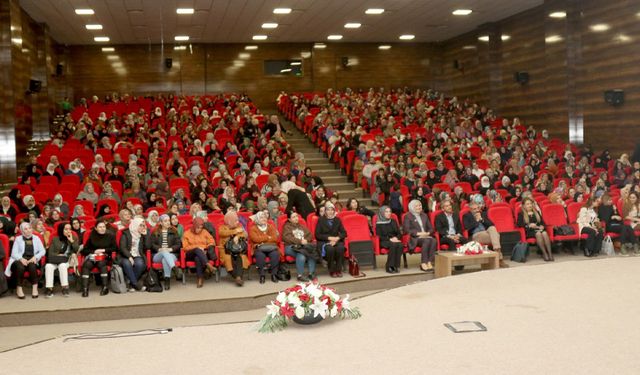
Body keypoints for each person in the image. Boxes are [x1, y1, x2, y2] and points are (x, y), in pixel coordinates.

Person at [4, 222, 46, 299]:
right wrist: (21, 259)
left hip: (31, 259)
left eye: (29, 228)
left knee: (32, 266)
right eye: (25, 229)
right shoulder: (18, 239)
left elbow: (43, 251)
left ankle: (35, 288)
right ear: (22, 231)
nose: (28, 230)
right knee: (20, 267)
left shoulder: (36, 238)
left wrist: (35, 257)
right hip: (18, 259)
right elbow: (14, 253)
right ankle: (19, 289)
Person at [462, 201, 509, 267]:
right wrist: (477, 221)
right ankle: (499, 258)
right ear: (470, 210)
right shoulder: (466, 216)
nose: (477, 210)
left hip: (487, 232)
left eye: (477, 208)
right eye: (474, 209)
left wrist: (482, 219)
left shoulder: (483, 214)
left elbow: (491, 224)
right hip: (476, 235)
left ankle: (496, 250)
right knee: (497, 236)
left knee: (492, 228)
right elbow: (467, 228)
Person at [80, 220, 117, 297]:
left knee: (101, 263)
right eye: (100, 227)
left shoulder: (110, 236)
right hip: (93, 257)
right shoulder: (91, 236)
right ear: (96, 228)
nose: (102, 228)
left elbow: (115, 248)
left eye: (104, 227)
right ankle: (85, 289)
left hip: (105, 257)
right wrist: (94, 251)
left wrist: (104, 250)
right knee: (86, 265)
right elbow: (84, 250)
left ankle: (105, 287)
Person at [44, 222, 79, 297]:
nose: (68, 231)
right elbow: (50, 253)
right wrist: (58, 255)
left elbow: (77, 250)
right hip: (55, 259)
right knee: (48, 266)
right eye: (66, 229)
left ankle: (65, 287)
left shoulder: (74, 238)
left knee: (62, 266)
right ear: (61, 230)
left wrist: (71, 240)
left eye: (70, 229)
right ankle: (49, 288)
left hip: (66, 260)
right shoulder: (55, 239)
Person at [282, 212, 318, 281]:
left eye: (296, 216)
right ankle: (300, 275)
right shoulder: (287, 226)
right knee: (302, 253)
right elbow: (287, 238)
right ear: (289, 219)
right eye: (293, 217)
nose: (296, 218)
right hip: (291, 247)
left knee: (309, 252)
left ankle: (311, 273)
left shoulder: (302, 226)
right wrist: (300, 241)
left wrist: (306, 240)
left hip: (302, 247)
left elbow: (310, 235)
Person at [403, 200, 437, 272]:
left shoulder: (424, 215)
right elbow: (407, 230)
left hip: (425, 235)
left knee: (433, 240)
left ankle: (429, 262)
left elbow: (431, 228)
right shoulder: (408, 216)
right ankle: (423, 263)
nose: (419, 207)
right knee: (427, 241)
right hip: (415, 238)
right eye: (416, 206)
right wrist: (419, 234)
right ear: (412, 207)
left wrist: (427, 233)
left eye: (420, 205)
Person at [181, 217, 216, 288]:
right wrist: (197, 247)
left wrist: (205, 248)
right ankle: (208, 265)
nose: (199, 229)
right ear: (194, 226)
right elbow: (185, 247)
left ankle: (200, 279)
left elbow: (212, 241)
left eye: (201, 228)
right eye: (198, 228)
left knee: (197, 258)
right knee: (197, 249)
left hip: (202, 253)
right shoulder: (187, 233)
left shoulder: (205, 232)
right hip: (190, 254)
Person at [315, 202, 347, 278]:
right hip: (325, 241)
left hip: (336, 240)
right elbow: (317, 235)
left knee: (340, 248)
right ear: (325, 211)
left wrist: (337, 238)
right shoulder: (321, 220)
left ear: (334, 211)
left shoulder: (337, 220)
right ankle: (332, 270)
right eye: (328, 210)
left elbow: (344, 233)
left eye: (332, 210)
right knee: (330, 249)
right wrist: (330, 238)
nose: (330, 212)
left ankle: (339, 270)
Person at [150, 214, 182, 290]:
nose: (168, 222)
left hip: (172, 254)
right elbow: (151, 244)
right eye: (165, 221)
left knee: (165, 259)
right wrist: (159, 249)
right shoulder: (155, 232)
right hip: (158, 255)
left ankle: (167, 280)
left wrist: (171, 249)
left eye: (168, 221)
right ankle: (174, 268)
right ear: (160, 223)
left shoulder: (174, 231)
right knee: (164, 252)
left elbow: (179, 244)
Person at [218, 210, 249, 286]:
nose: (237, 222)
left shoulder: (239, 227)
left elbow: (245, 235)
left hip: (238, 249)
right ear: (229, 221)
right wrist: (235, 231)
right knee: (229, 260)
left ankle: (238, 277)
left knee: (240, 258)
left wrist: (237, 237)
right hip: (226, 250)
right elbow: (222, 233)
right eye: (235, 221)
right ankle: (238, 277)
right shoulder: (222, 228)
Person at [249, 211, 281, 284]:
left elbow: (275, 238)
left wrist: (262, 240)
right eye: (261, 217)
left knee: (275, 254)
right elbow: (255, 239)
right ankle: (262, 275)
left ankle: (274, 274)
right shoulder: (253, 228)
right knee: (260, 255)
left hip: (271, 247)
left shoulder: (271, 226)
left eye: (264, 217)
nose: (264, 219)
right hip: (259, 248)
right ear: (257, 219)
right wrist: (267, 237)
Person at [118, 217, 149, 291]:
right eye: (140, 225)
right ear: (135, 225)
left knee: (140, 264)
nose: (142, 227)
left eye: (143, 225)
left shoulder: (142, 235)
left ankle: (130, 283)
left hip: (138, 255)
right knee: (127, 264)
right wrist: (129, 256)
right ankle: (136, 284)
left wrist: (145, 236)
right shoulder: (126, 234)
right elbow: (122, 248)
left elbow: (148, 247)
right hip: (125, 256)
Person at [375, 206, 403, 274]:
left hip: (394, 239)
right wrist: (390, 239)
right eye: (386, 212)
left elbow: (399, 233)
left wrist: (396, 238)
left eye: (390, 211)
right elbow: (379, 236)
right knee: (393, 244)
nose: (389, 213)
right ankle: (389, 266)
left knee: (400, 245)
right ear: (382, 213)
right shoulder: (379, 223)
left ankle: (396, 265)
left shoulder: (393, 221)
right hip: (384, 241)